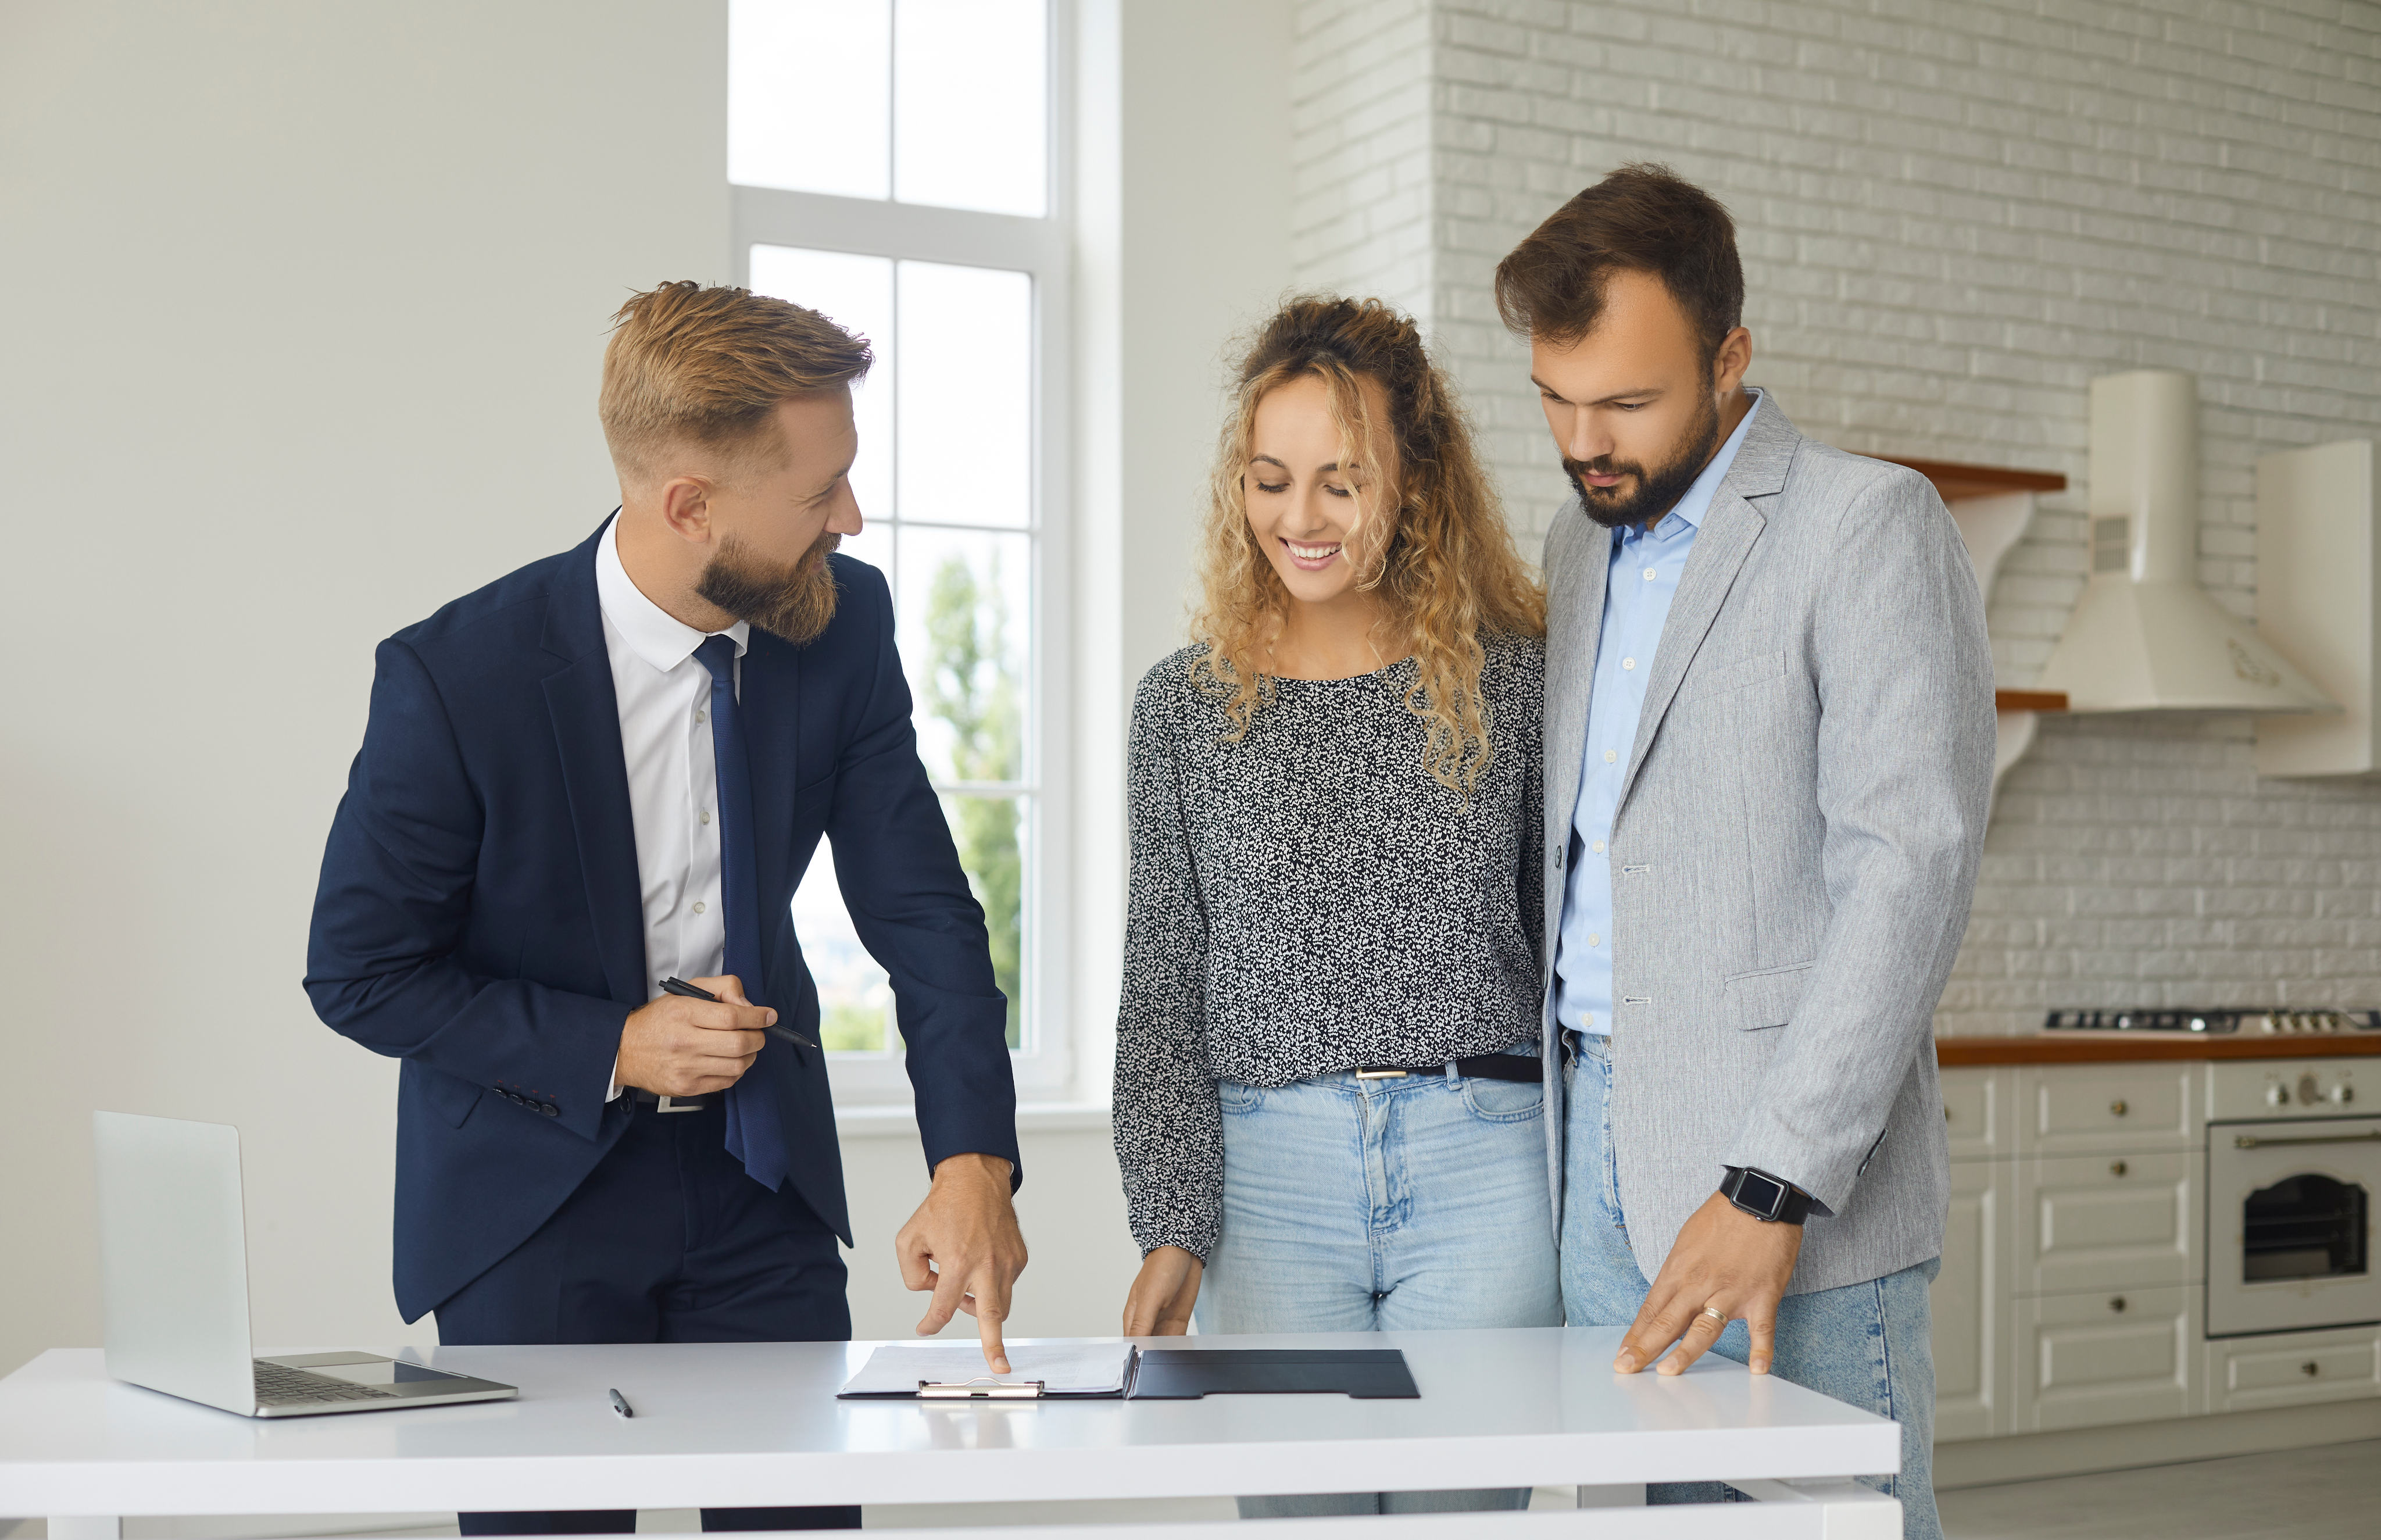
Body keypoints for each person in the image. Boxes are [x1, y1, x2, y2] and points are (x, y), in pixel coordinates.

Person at [306, 282, 1027, 1535]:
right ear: (687, 503)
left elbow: (920, 906)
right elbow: (360, 970)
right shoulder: (456, 676)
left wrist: (973, 1159)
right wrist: (615, 1042)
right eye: (818, 495)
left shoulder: (840, 627)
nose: (850, 521)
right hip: (532, 1203)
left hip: (760, 1184)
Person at [1496, 165, 1993, 1539]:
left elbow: (1909, 866)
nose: (1583, 439)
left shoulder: (1867, 523)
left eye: (1626, 402)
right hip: (1591, 1149)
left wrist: (1767, 1179)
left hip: (1793, 1181)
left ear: (1728, 357)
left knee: (1826, 1523)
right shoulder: (1574, 542)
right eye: (1554, 397)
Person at [1111, 296, 1553, 1519]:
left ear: (1414, 484)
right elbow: (1160, 983)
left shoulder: (1514, 683)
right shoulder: (1184, 708)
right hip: (1268, 1182)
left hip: (1485, 1167)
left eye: (1338, 482)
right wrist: (1171, 1220)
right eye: (1268, 478)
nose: (1295, 519)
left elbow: (1571, 957)